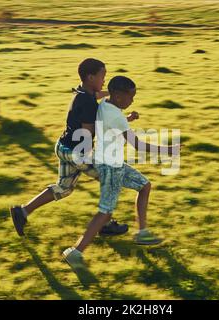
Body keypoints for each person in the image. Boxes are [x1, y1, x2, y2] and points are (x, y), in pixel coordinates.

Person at [63, 76, 181, 269]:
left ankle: (142, 232)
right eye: (131, 97)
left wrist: (128, 119)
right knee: (105, 213)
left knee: (144, 185)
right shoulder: (115, 114)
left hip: (112, 162)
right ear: (118, 96)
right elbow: (137, 144)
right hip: (110, 167)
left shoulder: (105, 105)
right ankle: (75, 252)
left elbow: (110, 125)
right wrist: (169, 151)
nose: (132, 101)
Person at [10, 59, 135, 237]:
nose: (104, 80)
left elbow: (97, 96)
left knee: (63, 188)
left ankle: (21, 212)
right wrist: (122, 123)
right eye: (102, 76)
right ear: (91, 77)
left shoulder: (83, 91)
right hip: (78, 152)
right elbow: (89, 133)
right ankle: (105, 225)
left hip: (63, 146)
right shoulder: (88, 103)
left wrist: (115, 94)